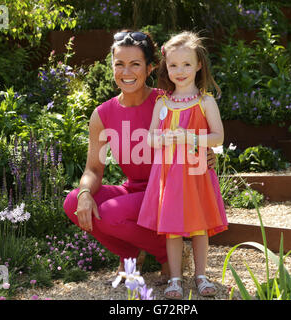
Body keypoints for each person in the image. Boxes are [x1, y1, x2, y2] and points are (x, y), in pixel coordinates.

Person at [62, 30, 217, 280]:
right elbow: (93, 170)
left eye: (135, 64)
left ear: (150, 68)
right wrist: (84, 193)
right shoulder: (102, 114)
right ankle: (131, 254)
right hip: (133, 190)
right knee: (72, 203)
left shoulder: (166, 102)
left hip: (166, 190)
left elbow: (198, 134)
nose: (126, 72)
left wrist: (208, 154)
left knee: (111, 213)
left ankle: (168, 255)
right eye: (119, 64)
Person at [137, 31, 228, 299]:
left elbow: (218, 137)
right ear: (166, 66)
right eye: (174, 65)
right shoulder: (162, 102)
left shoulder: (205, 101)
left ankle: (201, 275)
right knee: (173, 229)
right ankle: (176, 279)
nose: (180, 70)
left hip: (197, 173)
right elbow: (151, 138)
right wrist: (164, 137)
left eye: (187, 64)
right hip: (169, 176)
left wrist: (189, 136)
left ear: (199, 65)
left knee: (200, 227)